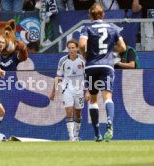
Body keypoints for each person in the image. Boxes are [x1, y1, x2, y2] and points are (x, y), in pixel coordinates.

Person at [79, 3, 126, 142]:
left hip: (92, 65)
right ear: (103, 15)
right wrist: (110, 50)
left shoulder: (86, 28)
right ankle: (110, 121)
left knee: (93, 99)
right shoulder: (112, 27)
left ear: (90, 16)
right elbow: (123, 47)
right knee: (108, 97)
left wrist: (85, 54)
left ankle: (97, 133)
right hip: (107, 66)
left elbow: (81, 45)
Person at [49, 39, 85, 141]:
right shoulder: (63, 60)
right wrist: (53, 92)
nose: (71, 50)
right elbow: (58, 76)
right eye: (69, 48)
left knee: (78, 113)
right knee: (69, 112)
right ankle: (71, 137)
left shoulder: (83, 60)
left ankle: (76, 136)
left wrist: (89, 91)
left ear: (77, 48)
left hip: (79, 89)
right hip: (67, 89)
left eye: (73, 48)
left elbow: (88, 74)